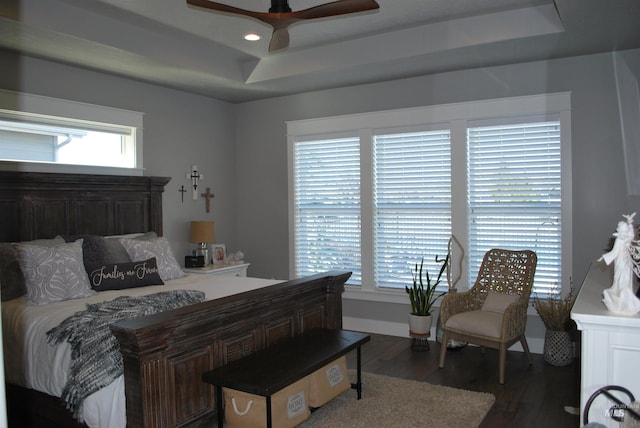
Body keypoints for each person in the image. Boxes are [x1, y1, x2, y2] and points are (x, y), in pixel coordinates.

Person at [600, 213, 640, 314]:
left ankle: (626, 300)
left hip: (626, 262)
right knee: (619, 279)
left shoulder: (625, 237)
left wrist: (630, 222)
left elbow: (631, 235)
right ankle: (621, 299)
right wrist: (603, 257)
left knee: (626, 280)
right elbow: (615, 251)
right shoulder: (619, 239)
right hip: (621, 262)